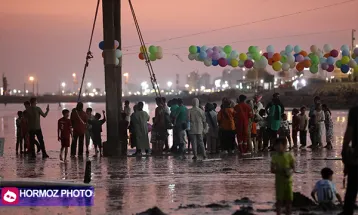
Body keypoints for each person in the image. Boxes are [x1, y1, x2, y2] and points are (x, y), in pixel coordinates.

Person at [340, 106, 358, 215]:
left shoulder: (355, 111)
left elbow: (349, 132)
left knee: (352, 188)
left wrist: (344, 150)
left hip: (356, 157)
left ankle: (348, 211)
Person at [271, 138, 295, 215]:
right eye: (276, 146)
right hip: (279, 183)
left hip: (288, 182)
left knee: (289, 201)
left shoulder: (289, 156)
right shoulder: (274, 157)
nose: (276, 147)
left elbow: (293, 168)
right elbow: (272, 170)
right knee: (279, 201)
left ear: (284, 145)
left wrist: (289, 172)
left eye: (278, 145)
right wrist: (279, 169)